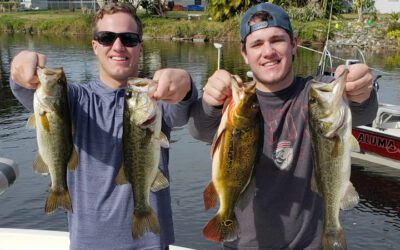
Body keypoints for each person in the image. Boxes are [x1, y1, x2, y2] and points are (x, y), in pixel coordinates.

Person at [188, 2, 378, 249]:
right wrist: (210, 102)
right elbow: (199, 128)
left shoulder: (316, 94)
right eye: (257, 44)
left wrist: (360, 89)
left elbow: (365, 112)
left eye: (277, 40)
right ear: (244, 54)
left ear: (294, 45)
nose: (268, 52)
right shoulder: (233, 103)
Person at [10, 3, 197, 250]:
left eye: (129, 39)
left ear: (141, 47)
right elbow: (23, 84)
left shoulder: (157, 97)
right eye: (107, 38)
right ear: (94, 45)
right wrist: (21, 62)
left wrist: (186, 85)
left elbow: (185, 107)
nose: (118, 46)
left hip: (149, 244)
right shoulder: (73, 99)